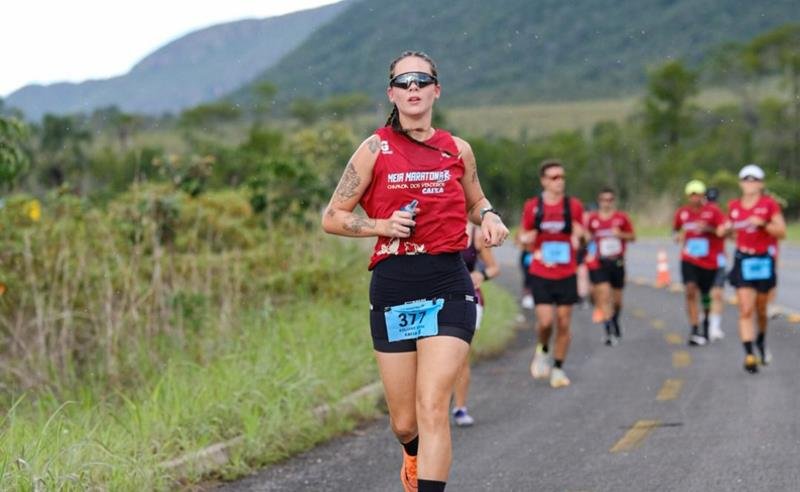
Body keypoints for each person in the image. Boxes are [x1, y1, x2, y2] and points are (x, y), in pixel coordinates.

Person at [321, 51, 508, 492]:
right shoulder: (374, 149)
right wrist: (381, 226)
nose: (413, 88)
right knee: (405, 423)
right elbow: (332, 217)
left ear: (436, 90)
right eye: (403, 81)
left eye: (421, 81)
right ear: (392, 93)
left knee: (433, 405)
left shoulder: (457, 149)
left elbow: (476, 201)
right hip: (394, 288)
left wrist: (490, 216)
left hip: (448, 284)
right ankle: (412, 455)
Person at [519, 159, 585, 388]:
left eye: (562, 177)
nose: (560, 181)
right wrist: (526, 239)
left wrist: (580, 235)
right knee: (546, 322)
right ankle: (543, 349)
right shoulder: (533, 206)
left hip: (566, 272)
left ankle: (558, 368)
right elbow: (522, 237)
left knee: (564, 323)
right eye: (554, 177)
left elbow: (583, 237)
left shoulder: (573, 206)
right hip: (541, 271)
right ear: (544, 181)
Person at [721, 164, 785, 373]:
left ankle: (761, 340)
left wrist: (763, 224)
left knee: (761, 310)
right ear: (740, 183)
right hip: (743, 259)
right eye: (746, 180)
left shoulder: (769, 205)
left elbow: (782, 232)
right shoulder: (734, 206)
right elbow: (726, 232)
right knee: (746, 309)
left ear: (761, 184)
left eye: (754, 180)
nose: (750, 183)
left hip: (763, 261)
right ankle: (749, 354)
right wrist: (726, 230)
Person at [452, 223, 500, 427]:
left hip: (469, 299)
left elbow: (494, 267)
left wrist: (482, 275)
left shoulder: (475, 234)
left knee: (460, 355)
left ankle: (460, 407)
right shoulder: (433, 225)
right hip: (437, 299)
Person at [672, 179, 725, 346]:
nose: (695, 198)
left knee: (706, 295)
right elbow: (676, 229)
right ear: (688, 196)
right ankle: (694, 329)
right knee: (690, 290)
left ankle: (707, 320)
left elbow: (723, 231)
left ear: (703, 195)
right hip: (689, 259)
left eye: (698, 195)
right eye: (692, 195)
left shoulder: (713, 211)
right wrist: (677, 235)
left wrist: (708, 229)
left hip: (709, 261)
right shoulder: (682, 212)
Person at [585, 187, 636, 346]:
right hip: (600, 262)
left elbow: (633, 237)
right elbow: (585, 237)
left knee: (617, 301)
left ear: (613, 201)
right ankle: (609, 331)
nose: (606, 203)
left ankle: (615, 320)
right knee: (604, 296)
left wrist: (620, 234)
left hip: (617, 262)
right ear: (599, 201)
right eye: (603, 200)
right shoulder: (593, 219)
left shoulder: (621, 218)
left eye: (610, 200)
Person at [704, 187, 726, 341]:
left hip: (718, 259)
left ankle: (715, 326)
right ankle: (704, 319)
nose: (712, 204)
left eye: (714, 200)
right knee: (704, 294)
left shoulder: (719, 214)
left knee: (717, 293)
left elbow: (723, 232)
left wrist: (710, 228)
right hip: (701, 260)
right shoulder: (699, 213)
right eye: (709, 200)